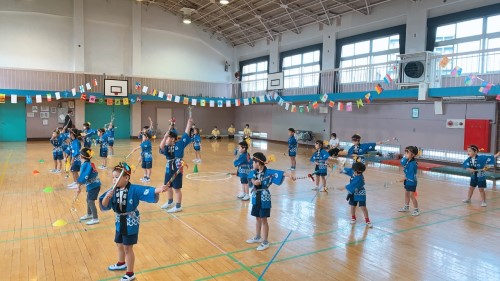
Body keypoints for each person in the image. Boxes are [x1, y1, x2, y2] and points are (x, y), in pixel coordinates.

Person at [99, 162, 167, 281]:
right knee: (119, 244)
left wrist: (158, 189)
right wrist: (107, 197)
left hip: (130, 221)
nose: (114, 180)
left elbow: (145, 191)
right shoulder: (112, 190)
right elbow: (104, 205)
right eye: (113, 177)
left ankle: (130, 273)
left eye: (117, 177)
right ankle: (121, 263)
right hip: (119, 221)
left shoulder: (134, 189)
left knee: (127, 248)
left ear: (126, 178)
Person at [245, 152, 286, 251]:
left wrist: (290, 176)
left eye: (253, 163)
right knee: (257, 218)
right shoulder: (254, 172)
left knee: (264, 219)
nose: (252, 165)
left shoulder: (269, 172)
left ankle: (265, 241)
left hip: (264, 198)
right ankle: (258, 237)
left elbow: (281, 173)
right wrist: (255, 182)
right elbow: (251, 178)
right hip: (256, 197)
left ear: (258, 163)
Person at [159, 118, 193, 213]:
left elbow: (186, 134)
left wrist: (189, 124)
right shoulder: (167, 146)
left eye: (168, 137)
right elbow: (160, 147)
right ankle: (170, 202)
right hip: (168, 169)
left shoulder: (180, 144)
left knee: (176, 188)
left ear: (173, 139)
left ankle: (178, 206)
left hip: (177, 169)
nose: (166, 140)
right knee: (167, 186)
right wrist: (165, 137)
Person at [340, 162, 373, 227]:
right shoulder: (353, 171)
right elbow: (347, 170)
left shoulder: (360, 178)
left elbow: (352, 185)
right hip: (353, 192)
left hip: (360, 192)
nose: (358, 174)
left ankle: (367, 220)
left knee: (363, 207)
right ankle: (353, 218)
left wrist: (343, 187)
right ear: (354, 170)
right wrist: (341, 170)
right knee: (353, 206)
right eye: (357, 172)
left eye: (360, 173)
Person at [76, 147, 101, 225]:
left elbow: (84, 176)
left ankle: (95, 218)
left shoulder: (86, 165)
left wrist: (78, 186)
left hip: (94, 186)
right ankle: (89, 214)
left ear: (82, 156)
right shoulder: (89, 163)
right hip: (93, 185)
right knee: (88, 200)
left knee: (90, 201)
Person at [398, 146, 420, 216]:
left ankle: (416, 210)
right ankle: (406, 207)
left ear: (413, 155)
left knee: (412, 195)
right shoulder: (407, 160)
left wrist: (405, 178)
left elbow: (412, 174)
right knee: (406, 193)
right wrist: (406, 157)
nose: (406, 154)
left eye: (408, 153)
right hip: (407, 179)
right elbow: (402, 162)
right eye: (406, 152)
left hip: (412, 181)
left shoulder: (413, 164)